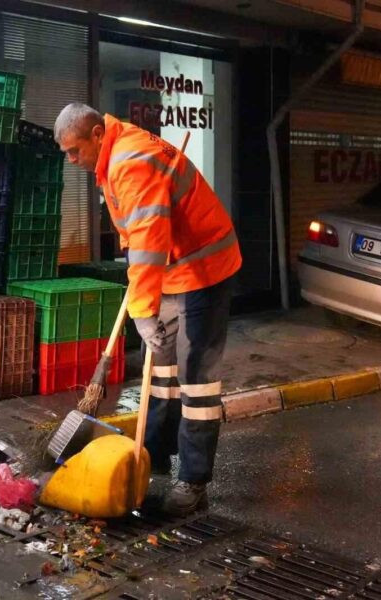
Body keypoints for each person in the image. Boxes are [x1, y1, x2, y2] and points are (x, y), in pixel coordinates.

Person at [54, 103, 242, 516]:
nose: (71, 160)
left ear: (97, 134)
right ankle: (153, 454)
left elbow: (150, 241)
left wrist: (141, 309)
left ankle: (193, 482)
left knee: (195, 379)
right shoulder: (114, 157)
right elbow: (138, 237)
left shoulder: (131, 161)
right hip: (173, 269)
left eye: (74, 150)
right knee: (160, 369)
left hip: (205, 269)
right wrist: (145, 291)